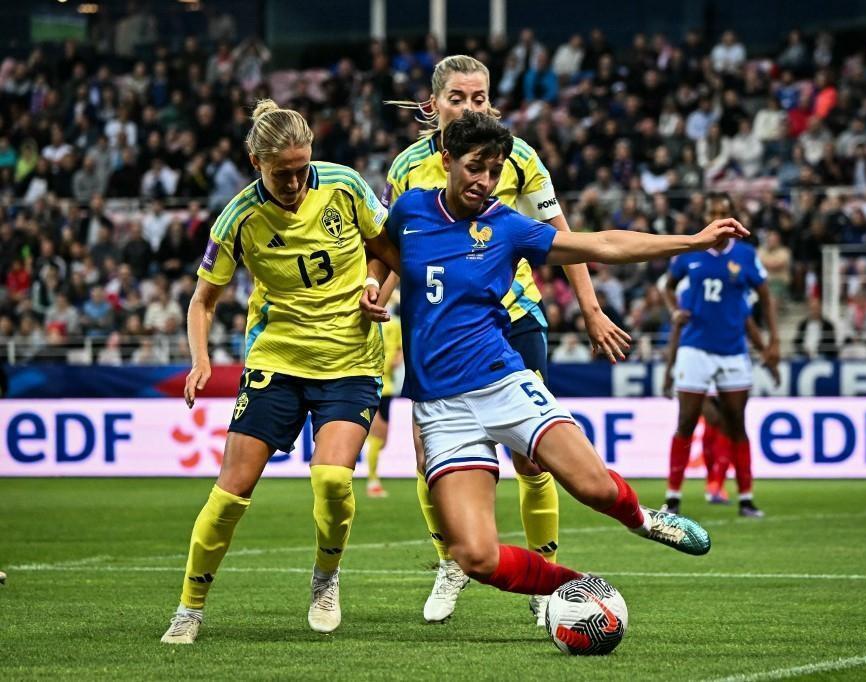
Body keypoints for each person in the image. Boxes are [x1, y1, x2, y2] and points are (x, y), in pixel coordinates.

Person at [361, 112, 743, 616]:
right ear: (447, 161)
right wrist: (371, 286)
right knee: (474, 556)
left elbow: (601, 243)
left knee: (594, 487)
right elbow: (381, 249)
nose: (485, 181)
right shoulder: (409, 209)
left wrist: (691, 242)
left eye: (495, 170)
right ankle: (578, 584)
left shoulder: (505, 226)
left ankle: (643, 521)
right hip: (441, 409)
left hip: (504, 383)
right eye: (476, 167)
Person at [383, 55, 630, 625]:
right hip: (436, 329)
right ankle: (452, 562)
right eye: (458, 98)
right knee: (430, 461)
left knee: (531, 461)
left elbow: (562, 237)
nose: (470, 107)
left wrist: (591, 309)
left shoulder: (517, 156)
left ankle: (550, 584)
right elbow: (400, 246)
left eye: (479, 98)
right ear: (434, 104)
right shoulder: (405, 169)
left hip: (512, 316)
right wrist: (379, 290)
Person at [160, 99, 399, 644]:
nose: (293, 182)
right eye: (280, 173)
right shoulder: (239, 218)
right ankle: (190, 607)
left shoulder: (344, 186)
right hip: (278, 358)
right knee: (230, 493)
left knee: (334, 479)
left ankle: (326, 577)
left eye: (300, 169)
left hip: (349, 357)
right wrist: (201, 359)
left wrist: (373, 289)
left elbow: (389, 250)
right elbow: (203, 301)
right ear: (254, 163)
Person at [660, 193, 780, 518]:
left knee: (737, 423)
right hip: (694, 346)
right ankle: (672, 497)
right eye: (713, 212)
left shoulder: (745, 254)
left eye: (724, 212)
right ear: (706, 216)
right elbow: (668, 287)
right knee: (685, 422)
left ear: (733, 216)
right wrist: (674, 311)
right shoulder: (690, 250)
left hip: (732, 349)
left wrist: (773, 340)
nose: (719, 217)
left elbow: (765, 297)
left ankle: (746, 499)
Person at [365, 302, 403, 498]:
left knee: (382, 440)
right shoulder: (372, 320)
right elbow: (399, 353)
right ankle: (373, 481)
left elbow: (399, 352)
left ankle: (372, 476)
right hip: (373, 385)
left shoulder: (393, 324)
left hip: (387, 387)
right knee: (378, 437)